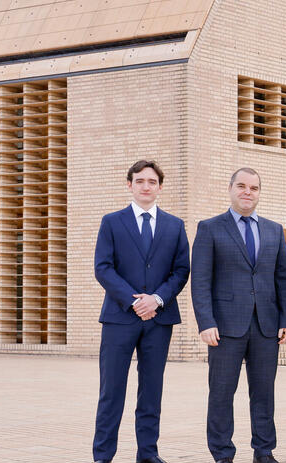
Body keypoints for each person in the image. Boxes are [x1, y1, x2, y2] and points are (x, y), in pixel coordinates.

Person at [191, 167, 286, 463]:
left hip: (266, 326)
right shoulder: (210, 228)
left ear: (259, 192)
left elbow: (283, 279)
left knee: (264, 394)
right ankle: (223, 453)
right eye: (242, 186)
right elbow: (200, 280)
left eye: (254, 187)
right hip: (224, 327)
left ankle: (264, 452)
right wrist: (206, 322)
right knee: (222, 393)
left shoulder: (274, 230)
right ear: (231, 189)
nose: (248, 192)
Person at [92, 160, 190, 463]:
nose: (146, 186)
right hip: (119, 318)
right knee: (111, 392)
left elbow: (181, 270)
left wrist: (157, 299)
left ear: (159, 187)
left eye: (151, 181)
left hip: (159, 320)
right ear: (130, 185)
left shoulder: (175, 226)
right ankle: (103, 456)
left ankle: (148, 454)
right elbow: (103, 268)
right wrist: (134, 301)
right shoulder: (112, 221)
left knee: (151, 391)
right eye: (140, 181)